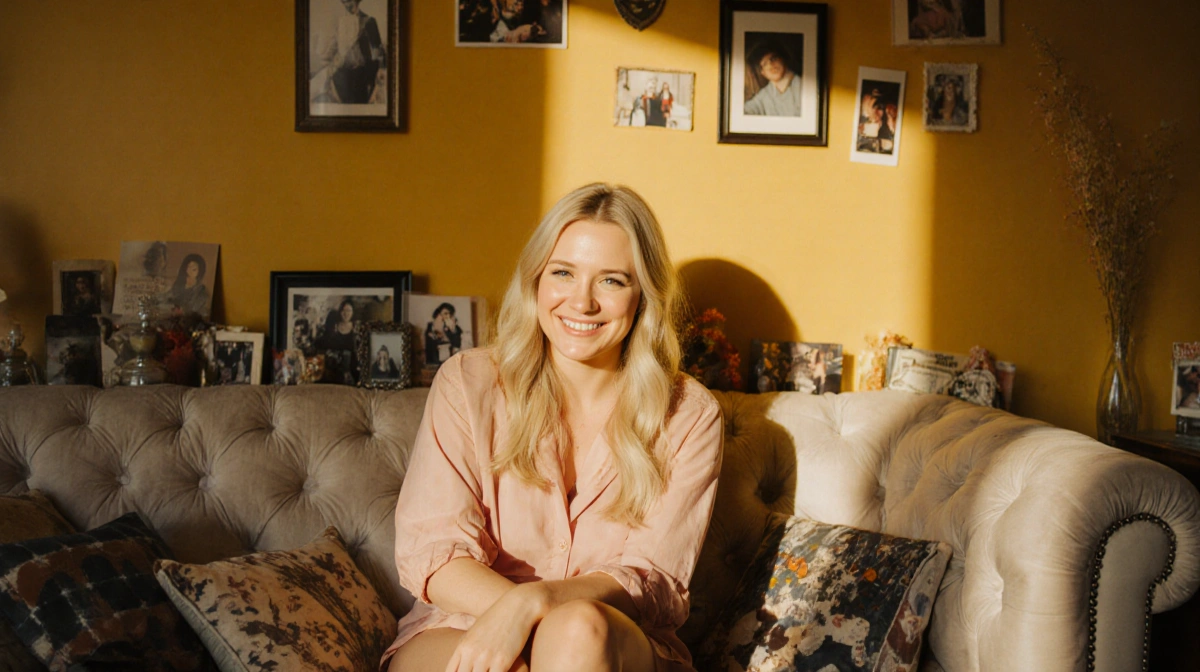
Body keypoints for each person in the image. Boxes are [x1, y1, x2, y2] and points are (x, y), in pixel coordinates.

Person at [385, 184, 724, 672]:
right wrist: (514, 614)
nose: (581, 303)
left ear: (643, 295)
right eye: (563, 272)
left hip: (613, 643)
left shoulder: (689, 414)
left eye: (611, 281)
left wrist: (535, 603)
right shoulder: (468, 383)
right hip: (462, 621)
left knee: (577, 630)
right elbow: (434, 552)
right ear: (537, 280)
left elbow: (652, 579)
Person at [313, 0, 386, 104]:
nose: (346, 4)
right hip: (342, 76)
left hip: (361, 76)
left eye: (349, 1)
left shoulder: (369, 21)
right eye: (344, 2)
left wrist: (379, 68)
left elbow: (377, 51)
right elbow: (333, 47)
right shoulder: (339, 22)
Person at [743, 39, 802, 117]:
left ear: (782, 58)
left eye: (773, 58)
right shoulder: (764, 95)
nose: (770, 65)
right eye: (764, 64)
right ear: (763, 73)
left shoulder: (801, 86)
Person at [317, 299, 359, 384]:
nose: (346, 313)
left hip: (351, 370)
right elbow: (324, 345)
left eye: (349, 310)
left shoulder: (356, 329)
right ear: (340, 311)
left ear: (353, 312)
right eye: (343, 310)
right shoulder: (333, 326)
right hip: (334, 370)